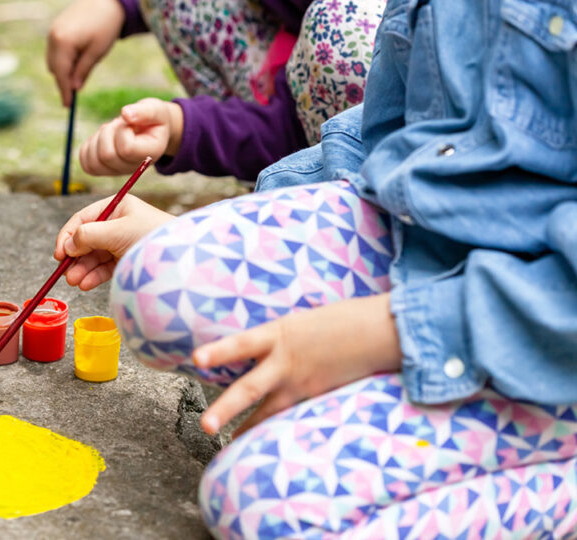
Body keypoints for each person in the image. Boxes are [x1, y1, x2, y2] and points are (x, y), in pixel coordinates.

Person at [54, 0, 577, 536]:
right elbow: (383, 142)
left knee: (260, 500)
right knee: (157, 281)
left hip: (549, 338)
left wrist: (388, 331)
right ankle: (401, 410)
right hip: (437, 243)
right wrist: (226, 230)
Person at [46, 0, 386, 181]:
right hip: (318, 84)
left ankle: (309, 196)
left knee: (343, 30)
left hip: (378, 147)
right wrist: (118, 6)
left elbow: (288, 130)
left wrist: (184, 126)